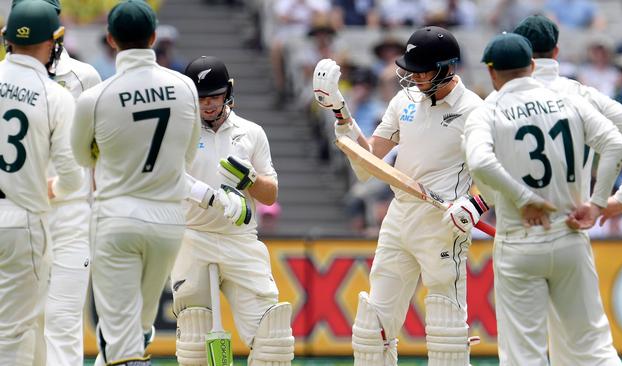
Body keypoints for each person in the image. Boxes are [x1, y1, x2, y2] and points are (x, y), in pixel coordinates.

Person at [314, 26, 488, 365]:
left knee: (446, 333)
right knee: (371, 329)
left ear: (447, 68)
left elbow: (493, 173)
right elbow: (368, 165)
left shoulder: (474, 111)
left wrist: (475, 204)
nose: (414, 78)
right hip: (399, 216)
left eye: (422, 70)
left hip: (442, 222)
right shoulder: (404, 100)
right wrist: (340, 111)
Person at [464, 32, 622, 366]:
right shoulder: (567, 99)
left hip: (520, 241)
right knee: (593, 349)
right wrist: (596, 204)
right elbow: (615, 145)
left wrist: (524, 198)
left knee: (525, 357)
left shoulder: (488, 110)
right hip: (570, 234)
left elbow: (480, 162)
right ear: (533, 65)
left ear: (492, 73)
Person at [70, 1, 204, 364]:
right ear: (154, 37)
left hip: (117, 219)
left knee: (118, 333)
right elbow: (188, 155)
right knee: (138, 328)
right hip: (167, 223)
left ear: (111, 40)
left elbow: (82, 158)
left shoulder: (94, 98)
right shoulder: (186, 88)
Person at [511, 15, 622, 365]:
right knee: (589, 348)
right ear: (556, 51)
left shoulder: (503, 99)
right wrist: (616, 200)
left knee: (523, 351)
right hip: (573, 226)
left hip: (520, 233)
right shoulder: (578, 93)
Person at [172, 56, 294, 366]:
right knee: (196, 344)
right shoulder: (178, 130)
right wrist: (210, 197)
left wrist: (250, 179)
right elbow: (167, 178)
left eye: (214, 96)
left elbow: (270, 195)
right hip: (193, 237)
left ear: (228, 92)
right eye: (201, 98)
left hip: (240, 239)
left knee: (273, 339)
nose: (208, 104)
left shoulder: (251, 132)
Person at [9, 1, 101, 364]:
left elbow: (96, 156)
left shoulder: (83, 77)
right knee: (23, 327)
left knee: (61, 324)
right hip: (22, 212)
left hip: (67, 216)